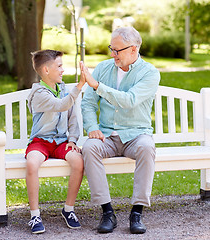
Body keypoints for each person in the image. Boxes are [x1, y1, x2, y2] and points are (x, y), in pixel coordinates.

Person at [80, 26, 160, 234]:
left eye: (117, 50)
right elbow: (88, 103)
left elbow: (129, 100)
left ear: (133, 49)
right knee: (89, 148)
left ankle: (137, 213)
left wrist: (98, 86)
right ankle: (107, 212)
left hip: (136, 134)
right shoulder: (103, 68)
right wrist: (92, 127)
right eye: (111, 49)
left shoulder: (150, 73)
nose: (112, 54)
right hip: (106, 135)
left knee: (146, 147)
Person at [25, 49, 85, 234]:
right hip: (40, 141)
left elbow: (73, 117)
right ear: (46, 70)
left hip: (60, 141)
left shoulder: (64, 89)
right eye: (59, 66)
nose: (62, 70)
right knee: (32, 163)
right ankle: (35, 215)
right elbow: (62, 105)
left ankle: (68, 209)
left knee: (78, 162)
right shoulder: (39, 94)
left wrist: (73, 140)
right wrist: (80, 85)